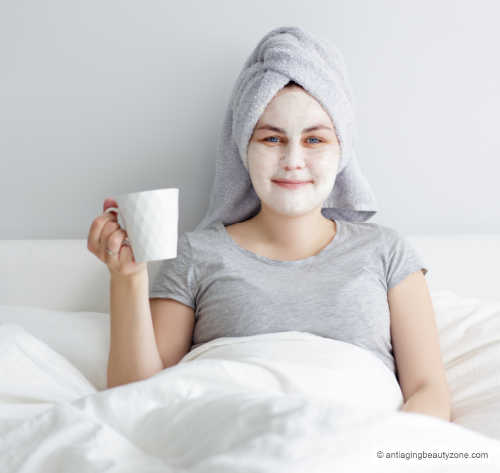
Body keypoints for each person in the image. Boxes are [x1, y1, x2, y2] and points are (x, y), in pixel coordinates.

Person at [87, 26, 450, 422]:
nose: (293, 160)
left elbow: (428, 390)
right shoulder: (197, 253)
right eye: (272, 139)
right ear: (243, 149)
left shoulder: (386, 252)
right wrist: (127, 278)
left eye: (315, 140)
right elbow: (135, 400)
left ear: (342, 151)